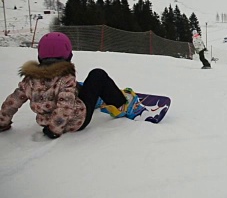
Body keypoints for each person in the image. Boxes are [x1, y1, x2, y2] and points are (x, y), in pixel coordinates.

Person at [0, 32, 136, 139]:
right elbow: (65, 106)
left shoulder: (29, 80)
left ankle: (96, 99)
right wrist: (54, 130)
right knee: (97, 75)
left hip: (46, 121)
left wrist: (2, 122)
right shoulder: (65, 78)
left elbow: (12, 102)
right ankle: (121, 104)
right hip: (75, 121)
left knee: (77, 87)